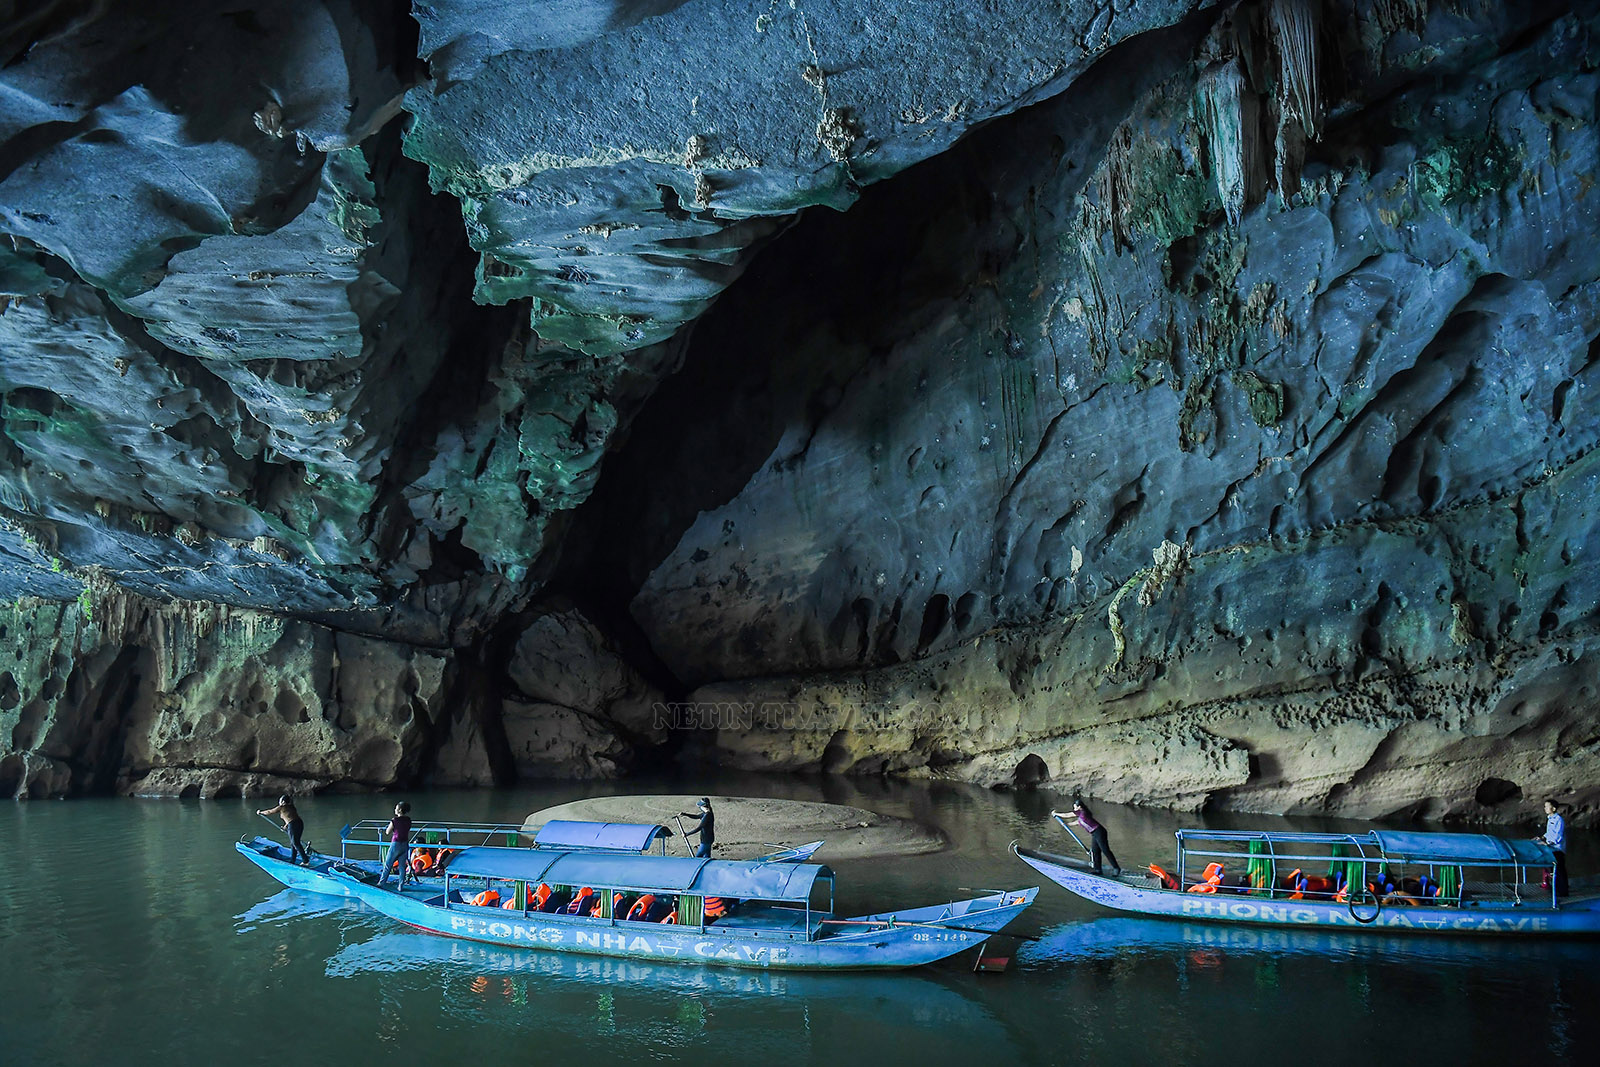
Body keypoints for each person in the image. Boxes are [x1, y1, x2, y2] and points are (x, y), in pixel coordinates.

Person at [1051, 797, 1122, 876]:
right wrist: (1067, 825)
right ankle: (1098, 870)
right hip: (1094, 833)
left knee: (1105, 850)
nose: (1074, 809)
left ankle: (1116, 868)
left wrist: (1056, 814)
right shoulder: (1081, 814)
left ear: (1079, 807)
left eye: (1075, 807)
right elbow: (1079, 822)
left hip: (1099, 832)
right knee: (1095, 852)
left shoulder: (1083, 812)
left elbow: (1067, 815)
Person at [257, 794, 311, 866]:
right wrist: (286, 826)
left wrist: (260, 812)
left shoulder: (281, 807)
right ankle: (292, 860)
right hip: (298, 823)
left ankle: (305, 861)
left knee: (295, 843)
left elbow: (270, 812)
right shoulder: (291, 807)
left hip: (293, 824)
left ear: (282, 801)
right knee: (293, 843)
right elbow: (290, 817)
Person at [1537, 799, 1569, 899]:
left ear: (1553, 808)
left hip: (1557, 849)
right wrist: (1542, 837)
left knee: (1559, 870)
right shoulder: (1550, 819)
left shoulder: (1558, 820)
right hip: (1551, 848)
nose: (1545, 808)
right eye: (1545, 806)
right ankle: (1555, 888)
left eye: (1547, 806)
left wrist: (1547, 843)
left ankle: (1563, 892)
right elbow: (1550, 833)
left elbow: (1558, 836)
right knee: (1553, 870)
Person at [377, 801, 413, 889]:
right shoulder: (408, 820)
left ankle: (381, 883)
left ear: (400, 810)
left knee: (388, 864)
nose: (395, 810)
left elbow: (387, 832)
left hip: (396, 844)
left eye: (396, 808)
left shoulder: (394, 820)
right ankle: (400, 885)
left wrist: (386, 828)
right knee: (402, 866)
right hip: (405, 844)